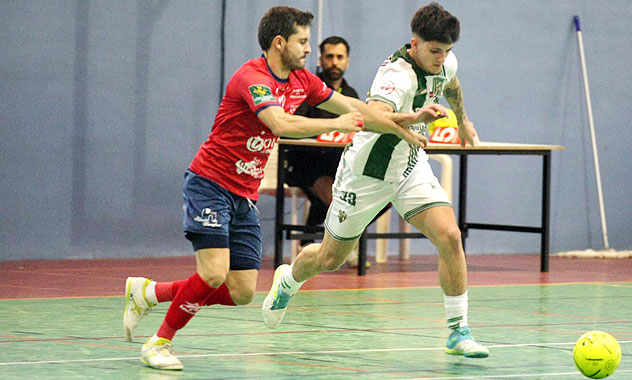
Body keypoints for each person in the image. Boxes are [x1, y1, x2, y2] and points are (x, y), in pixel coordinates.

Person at [122, 6, 428, 371]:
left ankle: (149, 292)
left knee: (241, 292)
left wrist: (398, 122)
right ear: (279, 42)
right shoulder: (252, 77)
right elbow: (278, 122)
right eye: (302, 41)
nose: (308, 50)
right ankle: (158, 343)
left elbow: (351, 104)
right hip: (210, 184)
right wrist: (338, 123)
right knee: (213, 273)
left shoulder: (302, 80)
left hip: (244, 195)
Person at [262, 2, 489, 359]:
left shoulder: (445, 61)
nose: (441, 59)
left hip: (409, 165)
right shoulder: (395, 75)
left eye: (447, 51)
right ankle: (288, 280)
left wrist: (462, 120)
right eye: (434, 51)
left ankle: (458, 331)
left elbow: (453, 85)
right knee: (330, 258)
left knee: (449, 235)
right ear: (414, 45)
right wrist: (414, 116)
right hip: (367, 175)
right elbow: (375, 116)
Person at [286, 36, 368, 267]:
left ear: (347, 61)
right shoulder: (308, 88)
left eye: (339, 57)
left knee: (378, 199)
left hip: (339, 165)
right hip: (305, 163)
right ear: (321, 59)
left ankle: (312, 240)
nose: (334, 62)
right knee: (335, 197)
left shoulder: (350, 94)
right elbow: (294, 126)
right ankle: (335, 246)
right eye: (329, 56)